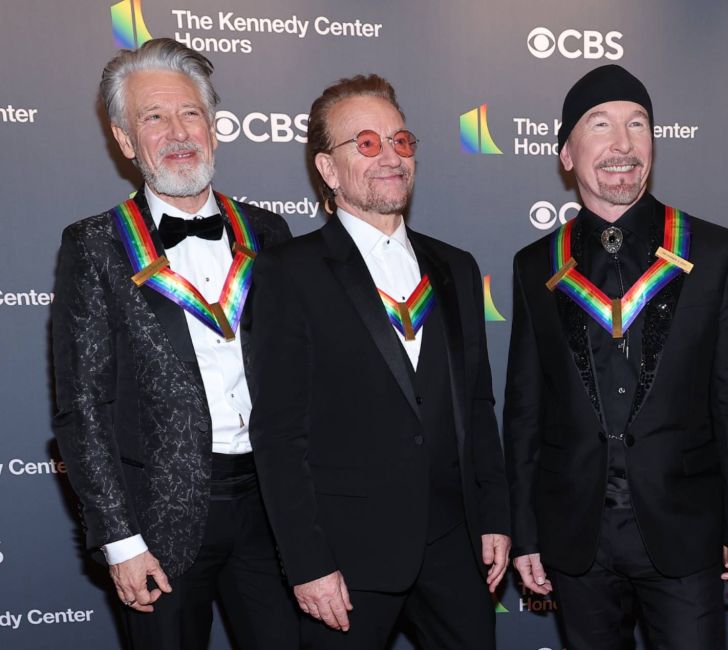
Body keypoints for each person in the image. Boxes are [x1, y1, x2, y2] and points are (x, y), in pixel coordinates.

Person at [503, 64, 728, 650]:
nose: (623, 144)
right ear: (567, 154)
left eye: (638, 125)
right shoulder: (535, 265)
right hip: (576, 539)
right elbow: (525, 411)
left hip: (685, 533)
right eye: (600, 125)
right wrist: (524, 531)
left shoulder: (717, 252)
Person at [247, 74, 511, 650]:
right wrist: (308, 563)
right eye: (365, 144)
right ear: (327, 168)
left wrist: (494, 515)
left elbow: (477, 404)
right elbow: (277, 435)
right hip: (346, 563)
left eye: (401, 140)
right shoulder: (288, 273)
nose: (390, 156)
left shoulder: (457, 267)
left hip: (455, 548)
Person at [51, 38, 298, 649]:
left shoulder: (268, 231)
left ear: (213, 126)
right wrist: (122, 543)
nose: (178, 131)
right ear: (126, 141)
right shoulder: (95, 246)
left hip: (274, 507)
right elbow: (81, 410)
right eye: (153, 117)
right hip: (159, 522)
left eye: (190, 112)